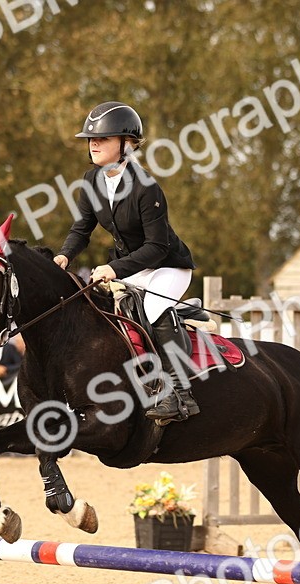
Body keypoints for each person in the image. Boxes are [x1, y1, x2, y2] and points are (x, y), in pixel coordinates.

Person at [53, 101, 199, 425]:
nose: (93, 143)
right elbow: (81, 229)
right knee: (106, 312)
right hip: (132, 266)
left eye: (103, 138)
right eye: (90, 139)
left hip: (167, 266)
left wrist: (114, 269)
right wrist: (63, 255)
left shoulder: (146, 188)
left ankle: (179, 394)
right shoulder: (91, 181)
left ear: (126, 144)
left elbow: (157, 247)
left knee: (151, 311)